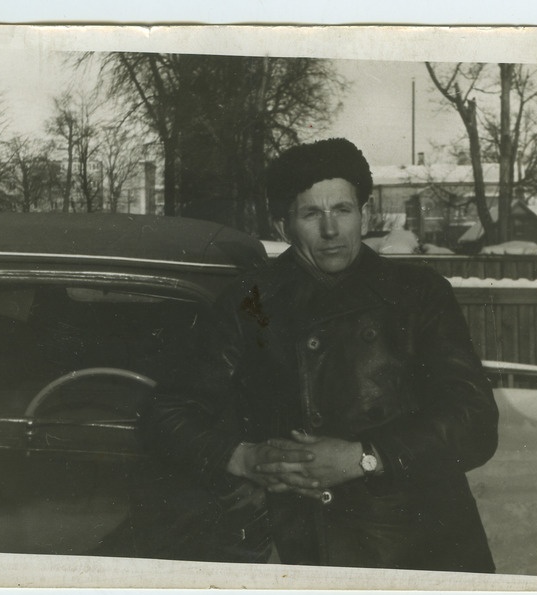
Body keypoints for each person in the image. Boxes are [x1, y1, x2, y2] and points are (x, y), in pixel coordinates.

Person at [140, 138, 499, 572]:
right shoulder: (251, 302)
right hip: (308, 543)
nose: (332, 231)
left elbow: (475, 421)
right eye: (312, 213)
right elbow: (168, 412)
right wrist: (241, 457)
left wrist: (367, 456)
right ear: (281, 226)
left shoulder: (417, 294)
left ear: (363, 214)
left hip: (421, 543)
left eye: (343, 210)